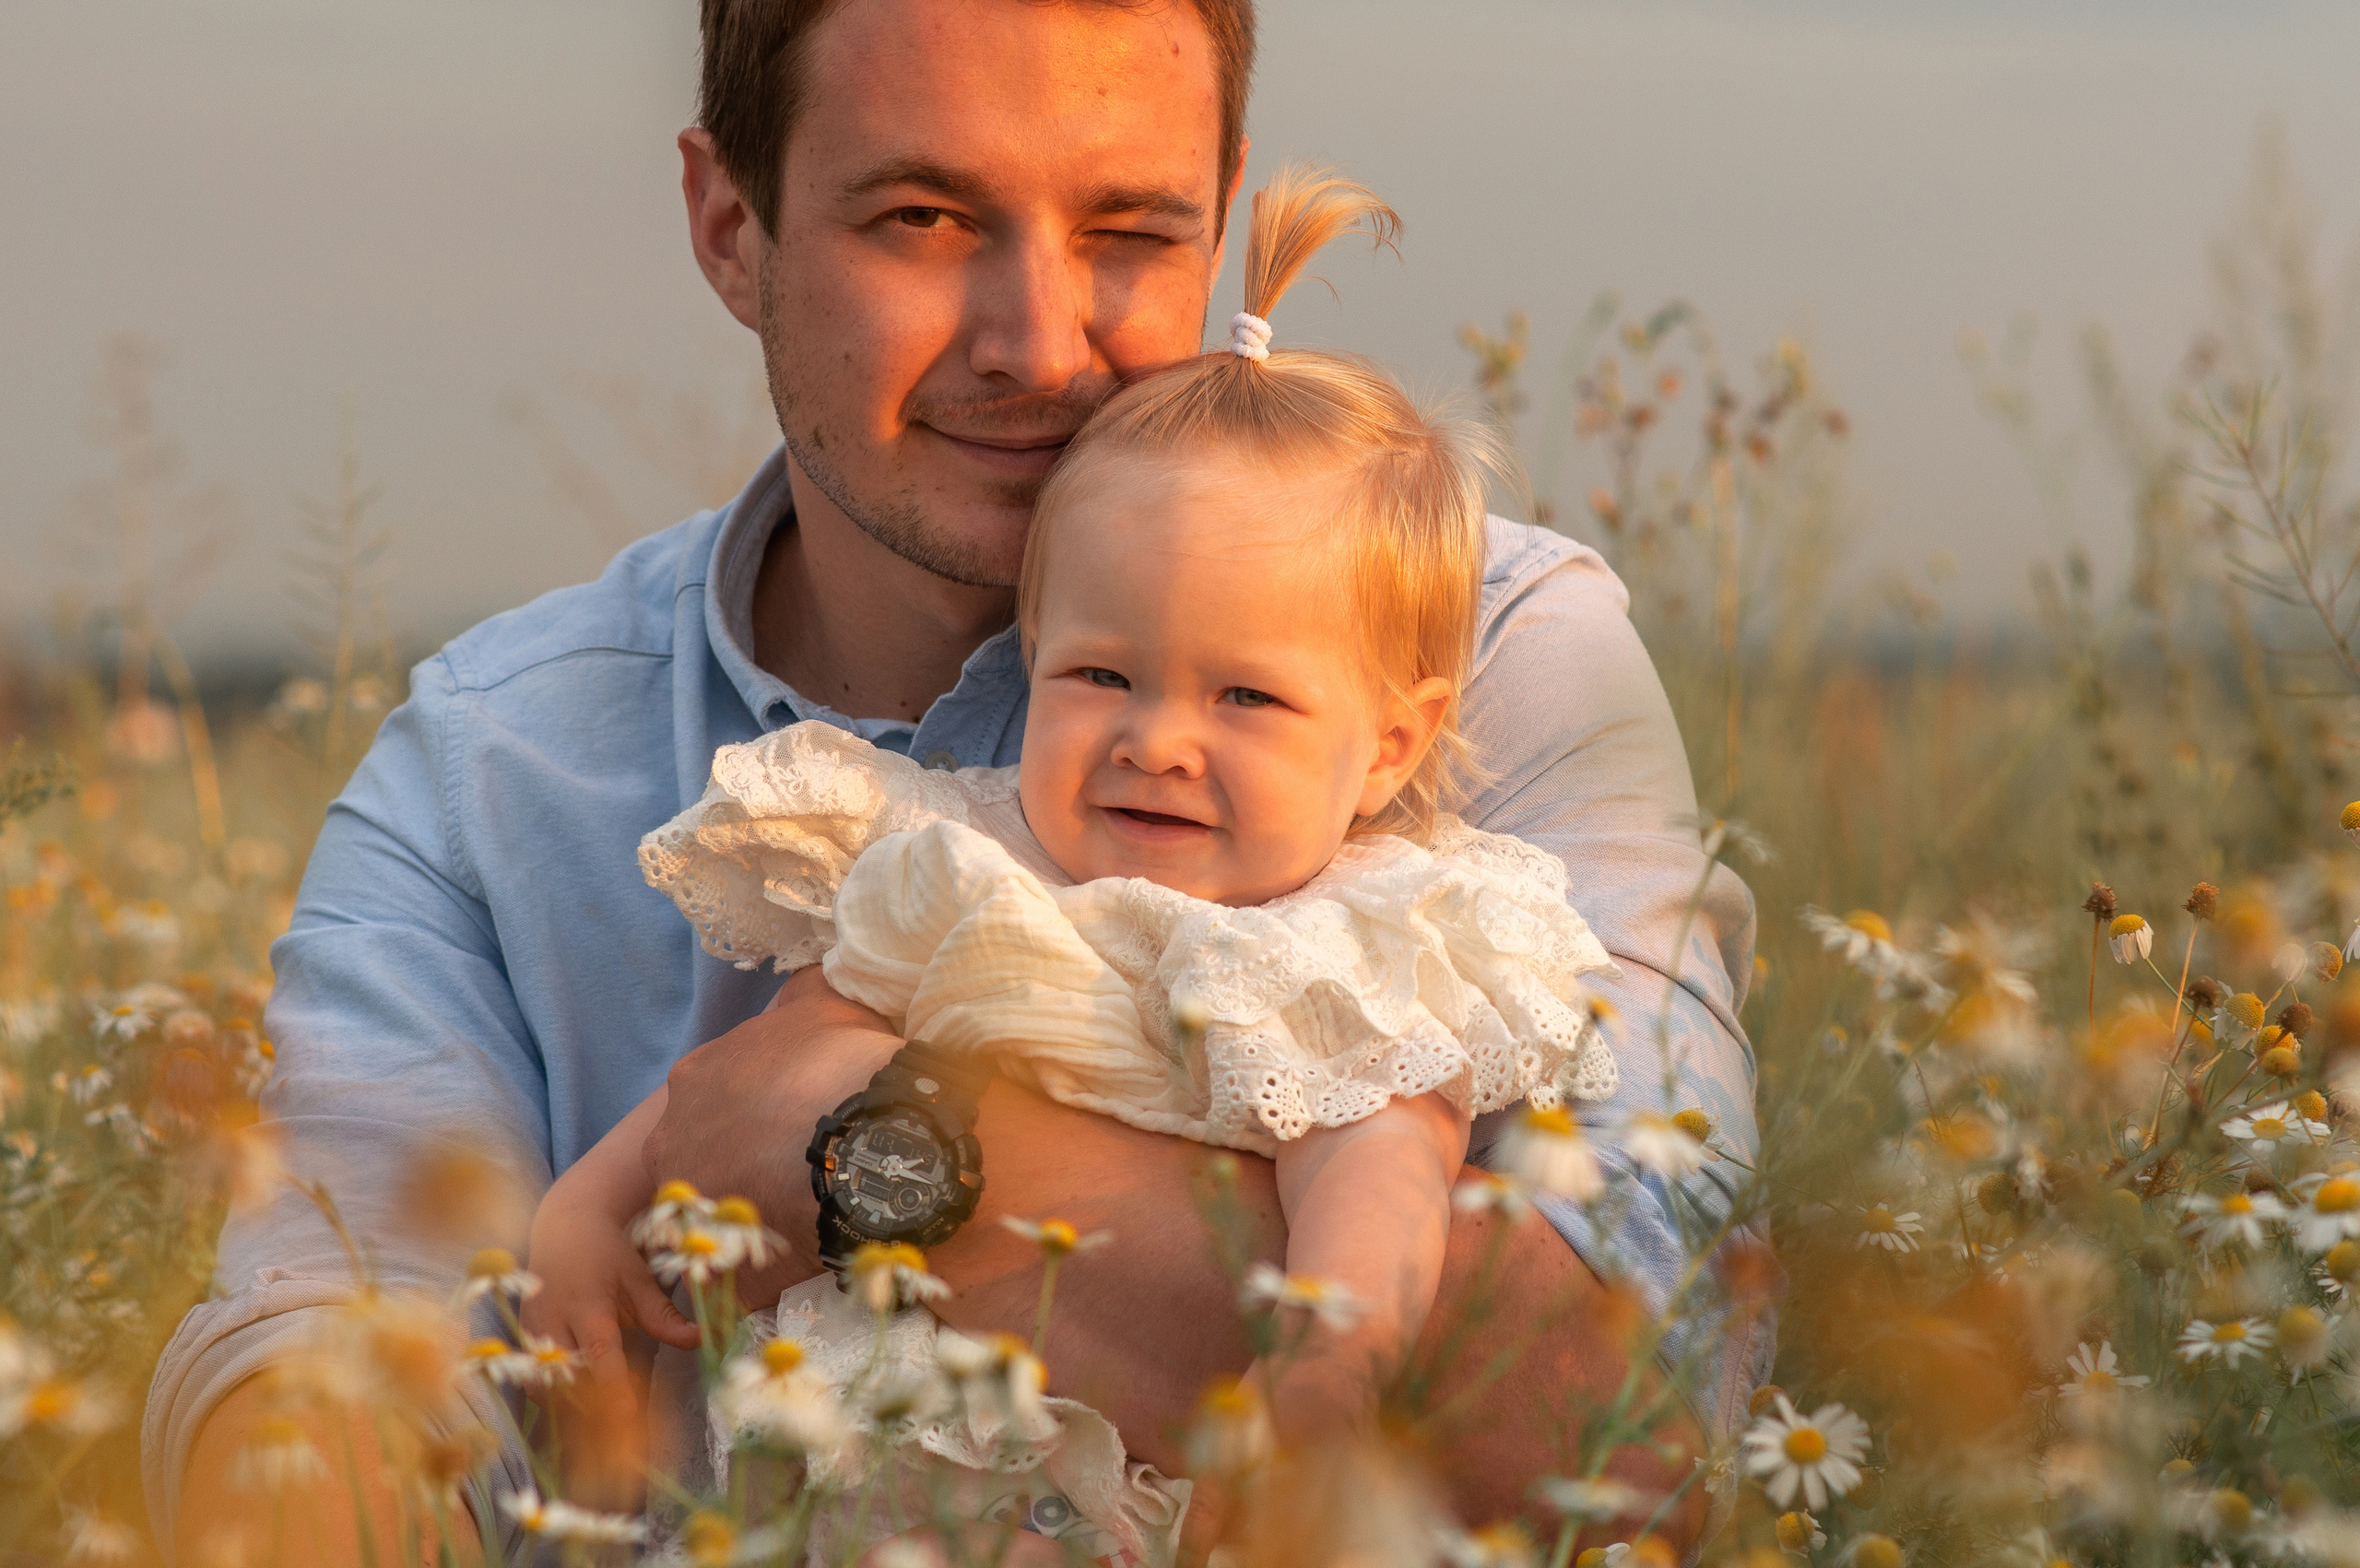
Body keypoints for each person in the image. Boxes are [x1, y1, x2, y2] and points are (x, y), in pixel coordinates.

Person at [145, 1, 1764, 1562]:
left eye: (1131, 229)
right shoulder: (491, 766)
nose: (1039, 344)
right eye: (922, 218)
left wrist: (856, 1153)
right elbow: (335, 1347)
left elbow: (1644, 1428)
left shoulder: (1487, 653)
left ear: (1220, 222)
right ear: (729, 223)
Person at [528, 168, 1630, 1562]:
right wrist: (587, 1207)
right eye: (1102, 673)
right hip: (853, 1491)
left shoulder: (1356, 942)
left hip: (1145, 1497)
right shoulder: (960, 862)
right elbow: (736, 1100)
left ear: (1390, 744)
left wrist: (1327, 1365)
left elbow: (1379, 1170)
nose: (1157, 744)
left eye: (1246, 699)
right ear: (1030, 654)